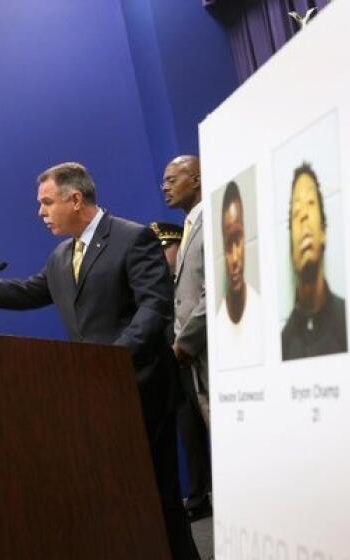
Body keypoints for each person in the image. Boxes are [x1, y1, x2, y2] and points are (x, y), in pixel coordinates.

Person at [0, 162, 200, 560]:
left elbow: (155, 308)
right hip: (95, 396)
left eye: (46, 203)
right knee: (123, 505)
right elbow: (26, 292)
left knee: (158, 499)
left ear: (75, 198)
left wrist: (110, 359)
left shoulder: (132, 239)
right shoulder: (62, 254)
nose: (40, 212)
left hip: (141, 389)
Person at [160, 155, 212, 521]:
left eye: (172, 179)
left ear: (195, 180)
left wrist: (184, 343)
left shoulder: (212, 220)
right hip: (194, 358)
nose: (164, 186)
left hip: (208, 353)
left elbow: (216, 290)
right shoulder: (190, 224)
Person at [281, 163, 348, 360]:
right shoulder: (283, 345)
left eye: (310, 203)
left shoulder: (349, 322)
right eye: (296, 211)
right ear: (291, 249)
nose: (303, 215)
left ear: (324, 232)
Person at [214, 180, 263, 370]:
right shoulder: (217, 323)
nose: (235, 258)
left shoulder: (261, 311)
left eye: (238, 240)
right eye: (228, 244)